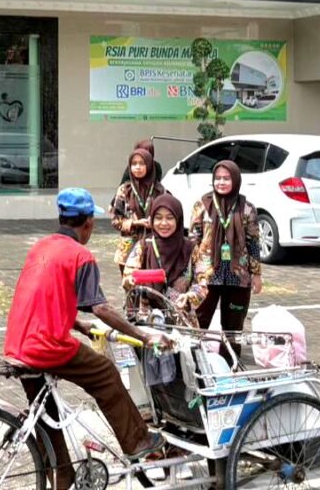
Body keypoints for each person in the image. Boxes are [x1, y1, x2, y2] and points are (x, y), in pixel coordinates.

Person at [3, 188, 171, 490]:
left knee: (46, 411)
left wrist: (79, 325)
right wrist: (141, 336)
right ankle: (137, 441)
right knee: (106, 374)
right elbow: (102, 308)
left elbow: (49, 297)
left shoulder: (40, 246)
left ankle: (62, 477)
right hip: (46, 345)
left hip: (17, 341)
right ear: (89, 223)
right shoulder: (80, 255)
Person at [189, 160, 262, 361]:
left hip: (238, 276)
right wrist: (190, 273)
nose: (221, 182)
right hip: (207, 275)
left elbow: (253, 243)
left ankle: (229, 365)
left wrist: (256, 274)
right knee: (197, 322)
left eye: (226, 178)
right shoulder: (202, 205)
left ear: (236, 180)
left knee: (233, 328)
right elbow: (193, 240)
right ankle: (194, 362)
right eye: (218, 178)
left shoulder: (246, 208)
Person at [122, 194, 205, 323]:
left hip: (182, 320)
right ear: (152, 220)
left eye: (170, 218)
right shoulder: (144, 246)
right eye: (158, 218)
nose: (164, 223)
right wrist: (135, 280)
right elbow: (127, 277)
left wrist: (189, 296)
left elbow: (202, 282)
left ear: (178, 219)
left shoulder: (190, 248)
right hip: (147, 321)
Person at [111, 149, 165, 274]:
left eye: (142, 163)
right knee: (131, 288)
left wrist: (157, 222)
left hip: (153, 247)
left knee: (151, 287)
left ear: (149, 165)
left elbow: (169, 216)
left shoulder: (160, 190)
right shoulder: (124, 190)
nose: (138, 167)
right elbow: (115, 220)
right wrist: (136, 223)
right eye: (134, 164)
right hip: (128, 249)